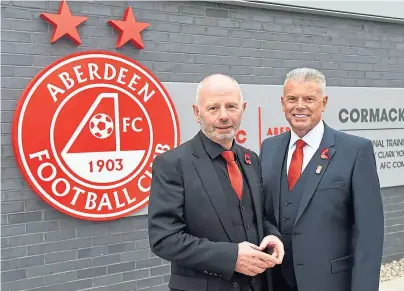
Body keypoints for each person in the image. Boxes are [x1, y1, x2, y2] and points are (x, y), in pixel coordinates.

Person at [148, 74, 284, 291]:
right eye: (213, 108)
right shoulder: (173, 164)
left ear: (243, 109)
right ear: (197, 112)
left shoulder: (251, 160)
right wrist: (231, 257)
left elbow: (261, 217)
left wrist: (272, 236)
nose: (224, 116)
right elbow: (164, 239)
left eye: (231, 106)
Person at [259, 68, 384, 291]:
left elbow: (369, 234)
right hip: (276, 281)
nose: (299, 106)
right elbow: (264, 213)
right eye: (292, 99)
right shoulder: (269, 148)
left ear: (324, 102)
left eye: (309, 99)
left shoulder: (355, 151)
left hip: (330, 283)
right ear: (282, 103)